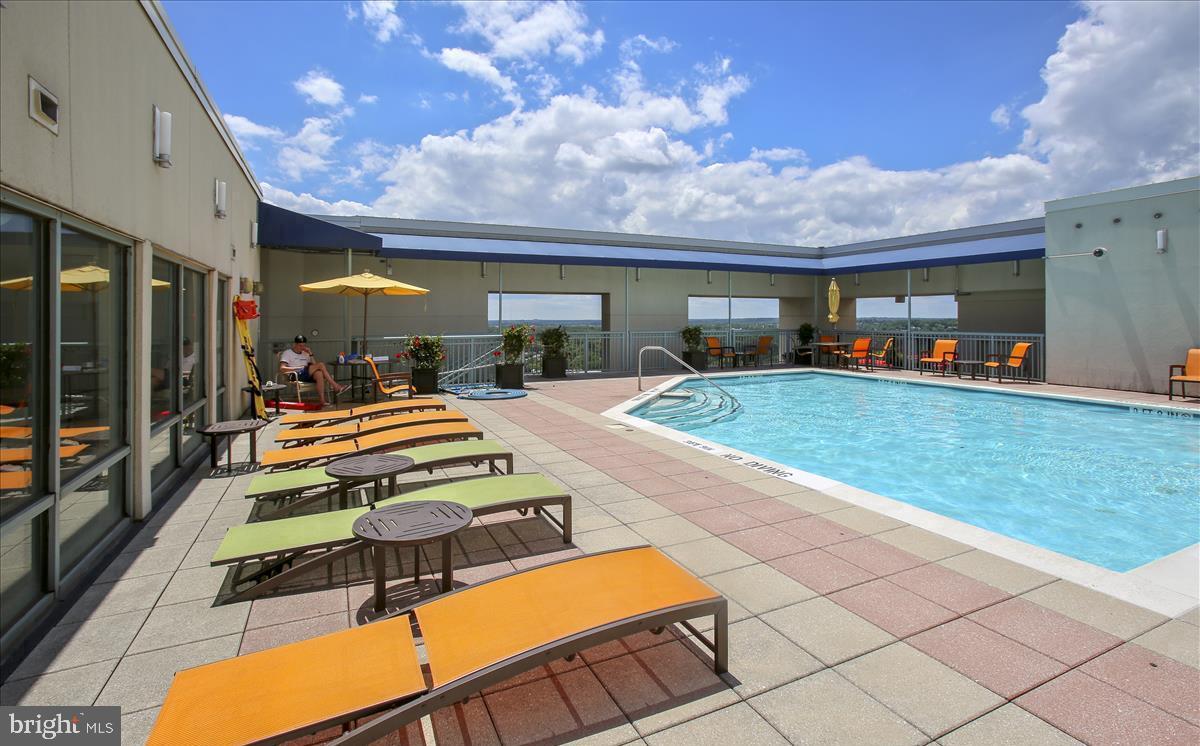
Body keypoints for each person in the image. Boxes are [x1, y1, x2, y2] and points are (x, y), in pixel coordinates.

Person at [279, 335, 347, 407]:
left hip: (306, 373)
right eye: (300, 346)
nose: (302, 348)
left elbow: (315, 365)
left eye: (303, 346)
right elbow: (282, 368)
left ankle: (322, 401)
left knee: (319, 373)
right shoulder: (287, 353)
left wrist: (310, 353)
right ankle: (336, 386)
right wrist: (298, 368)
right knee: (320, 365)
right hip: (295, 374)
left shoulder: (305, 353)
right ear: (295, 344)